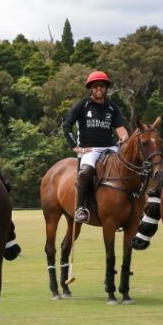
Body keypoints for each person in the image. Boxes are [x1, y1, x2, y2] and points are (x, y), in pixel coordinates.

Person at [61, 70, 129, 223]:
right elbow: (66, 126)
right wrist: (75, 147)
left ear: (106, 88)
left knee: (130, 165)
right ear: (91, 88)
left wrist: (124, 137)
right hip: (90, 148)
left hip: (110, 148)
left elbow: (121, 128)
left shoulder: (112, 108)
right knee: (85, 173)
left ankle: (137, 201)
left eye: (102, 86)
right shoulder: (83, 105)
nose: (99, 89)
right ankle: (81, 208)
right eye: (96, 86)